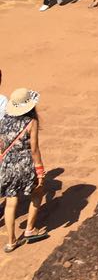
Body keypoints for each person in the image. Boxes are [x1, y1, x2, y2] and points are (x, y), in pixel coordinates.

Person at [1, 86, 47, 252]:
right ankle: (29, 229)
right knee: (37, 192)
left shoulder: (4, 120)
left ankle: (11, 241)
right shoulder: (31, 122)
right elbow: (34, 149)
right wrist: (40, 171)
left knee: (10, 202)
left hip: (7, 165)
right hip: (25, 165)